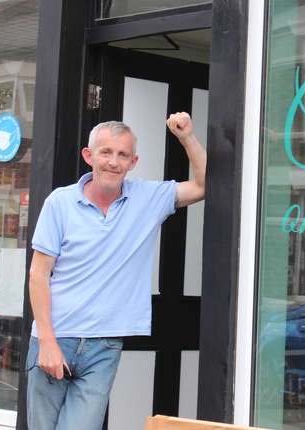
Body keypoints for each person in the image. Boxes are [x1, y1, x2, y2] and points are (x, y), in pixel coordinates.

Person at [26, 112, 206, 430]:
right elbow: (39, 274)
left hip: (104, 346)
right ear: (89, 156)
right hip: (57, 337)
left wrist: (187, 137)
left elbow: (205, 185)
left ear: (133, 162)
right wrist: (47, 342)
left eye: (123, 155)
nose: (113, 162)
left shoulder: (148, 199)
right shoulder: (60, 203)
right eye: (106, 152)